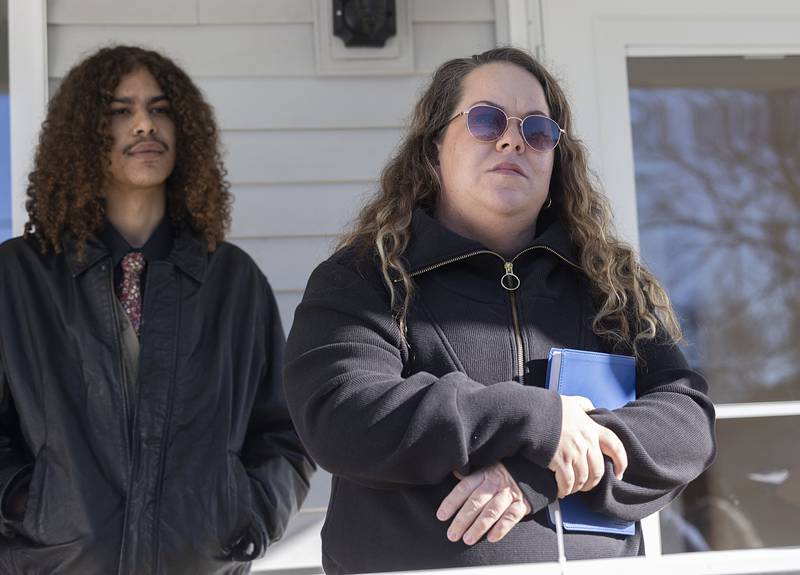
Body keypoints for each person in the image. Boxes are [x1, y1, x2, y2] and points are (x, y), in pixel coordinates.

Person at [283, 47, 716, 573]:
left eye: (537, 129)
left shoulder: (609, 284)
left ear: (557, 157)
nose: (512, 139)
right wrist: (535, 417)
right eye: (487, 120)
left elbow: (686, 423)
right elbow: (341, 414)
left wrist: (546, 471)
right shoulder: (365, 278)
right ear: (434, 147)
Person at [0, 46, 313, 574]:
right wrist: (29, 506)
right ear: (81, 136)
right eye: (120, 111)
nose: (145, 124)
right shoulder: (17, 278)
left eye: (161, 108)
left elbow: (284, 431)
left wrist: (247, 516)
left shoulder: (234, 281)